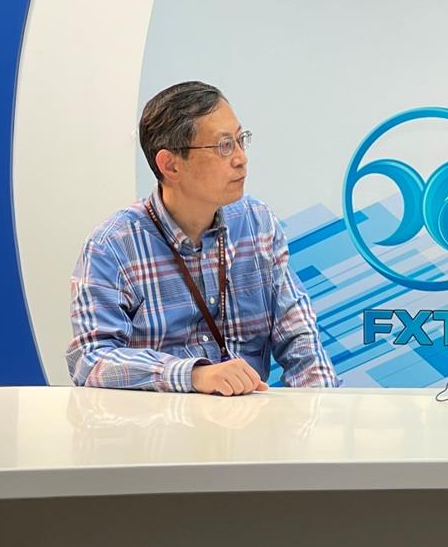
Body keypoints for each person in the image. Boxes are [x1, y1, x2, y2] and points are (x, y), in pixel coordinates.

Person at [67, 81, 339, 395]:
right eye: (224, 146)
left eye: (241, 140)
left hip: (249, 417)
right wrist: (192, 375)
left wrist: (321, 404)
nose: (241, 158)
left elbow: (298, 335)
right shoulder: (112, 247)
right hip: (158, 422)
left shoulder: (256, 222)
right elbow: (91, 359)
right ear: (170, 165)